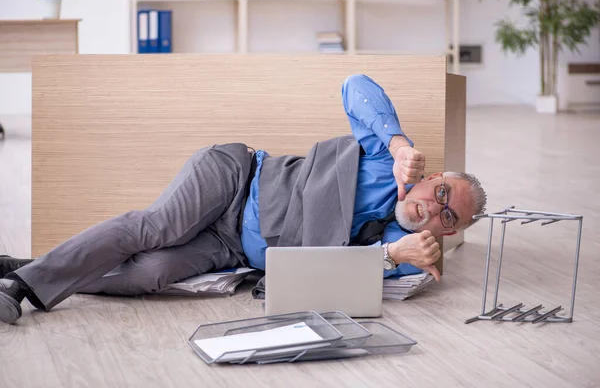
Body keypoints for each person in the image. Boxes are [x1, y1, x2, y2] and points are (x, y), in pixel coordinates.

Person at [0, 74, 486, 325]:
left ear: (447, 233)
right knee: (157, 227)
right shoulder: (386, 156)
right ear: (434, 177)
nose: (434, 209)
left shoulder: (409, 254)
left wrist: (390, 254)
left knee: (152, 274)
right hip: (236, 177)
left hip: (231, 249)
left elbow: (329, 282)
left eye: (449, 218)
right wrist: (400, 143)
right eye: (442, 193)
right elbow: (354, 86)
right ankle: (22, 287)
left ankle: (29, 265)